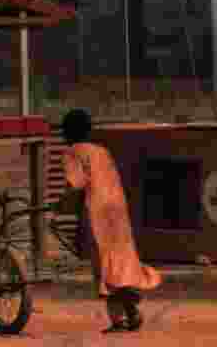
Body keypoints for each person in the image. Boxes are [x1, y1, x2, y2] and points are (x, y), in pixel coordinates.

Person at [58, 109, 161, 333]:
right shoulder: (102, 151)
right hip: (117, 210)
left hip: (96, 212)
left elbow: (75, 184)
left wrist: (59, 205)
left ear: (66, 133)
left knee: (103, 265)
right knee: (120, 259)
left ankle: (119, 318)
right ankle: (130, 307)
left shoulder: (71, 152)